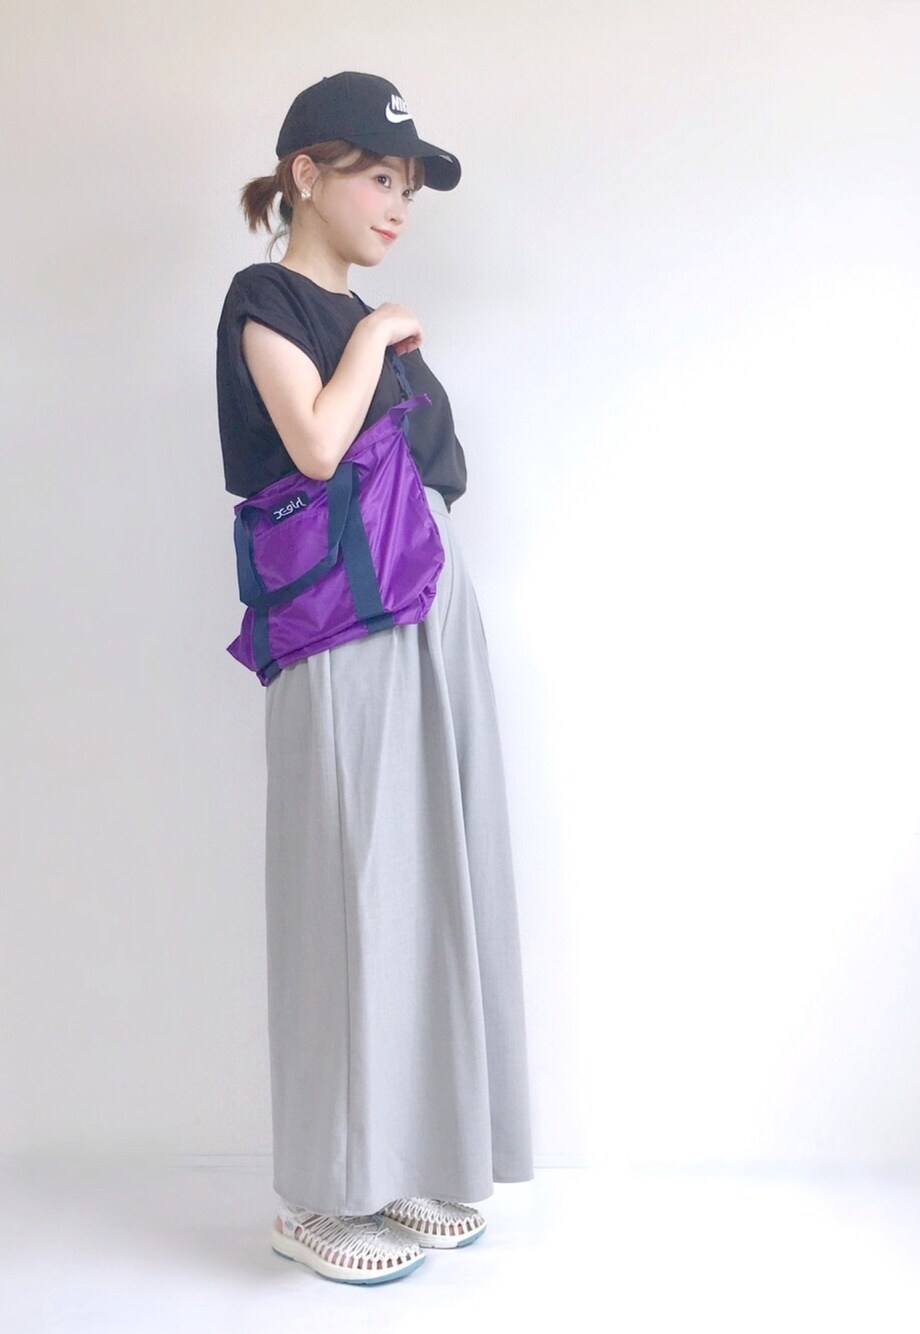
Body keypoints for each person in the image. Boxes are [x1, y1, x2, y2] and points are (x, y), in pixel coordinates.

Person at [214, 72, 534, 1285]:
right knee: (344, 885)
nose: (398, 204)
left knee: (424, 880)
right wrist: (368, 338)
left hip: (426, 607)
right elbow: (312, 443)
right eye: (378, 177)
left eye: (408, 186)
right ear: (306, 174)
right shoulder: (269, 300)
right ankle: (317, 1193)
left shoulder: (370, 321)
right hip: (341, 624)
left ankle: (399, 1159)